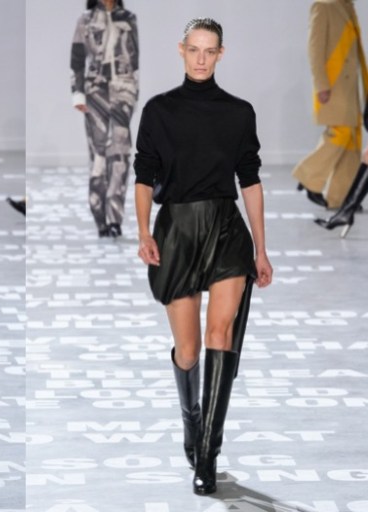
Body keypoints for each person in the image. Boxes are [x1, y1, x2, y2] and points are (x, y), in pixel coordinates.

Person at [134, 18, 272, 495]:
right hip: (176, 231)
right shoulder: (158, 111)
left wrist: (261, 248)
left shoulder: (238, 113)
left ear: (220, 54)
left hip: (226, 231)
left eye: (209, 51)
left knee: (220, 334)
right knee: (189, 351)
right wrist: (142, 231)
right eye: (194, 49)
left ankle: (208, 453)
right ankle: (192, 420)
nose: (200, 58)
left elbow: (249, 181)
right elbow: (144, 176)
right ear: (181, 50)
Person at [71, 0, 138, 238]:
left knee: (120, 154)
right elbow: (77, 59)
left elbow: (134, 59)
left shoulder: (128, 18)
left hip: (123, 92)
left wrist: (133, 94)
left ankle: (115, 219)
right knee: (98, 154)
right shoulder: (85, 20)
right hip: (95, 92)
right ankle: (99, 216)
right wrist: (77, 94)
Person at [292, 0, 367, 209]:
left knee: (352, 140)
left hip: (350, 86)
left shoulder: (347, 6)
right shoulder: (323, 5)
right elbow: (315, 48)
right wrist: (321, 84)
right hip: (334, 85)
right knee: (341, 133)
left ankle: (340, 198)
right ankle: (308, 176)